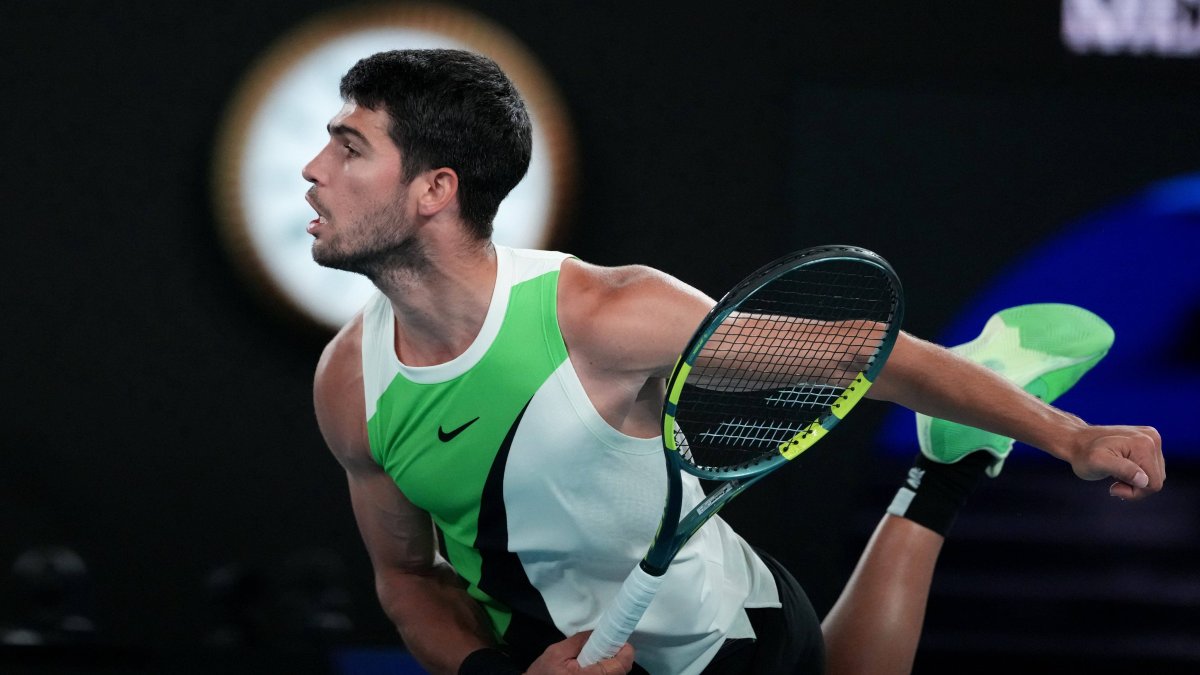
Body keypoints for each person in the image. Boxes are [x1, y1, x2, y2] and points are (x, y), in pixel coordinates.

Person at [304, 49, 1164, 675]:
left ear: (434, 190)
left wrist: (1072, 436)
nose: (313, 171)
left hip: (722, 636)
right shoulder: (351, 383)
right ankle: (946, 468)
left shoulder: (605, 316)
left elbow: (859, 355)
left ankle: (946, 471)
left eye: (349, 148)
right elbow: (409, 580)